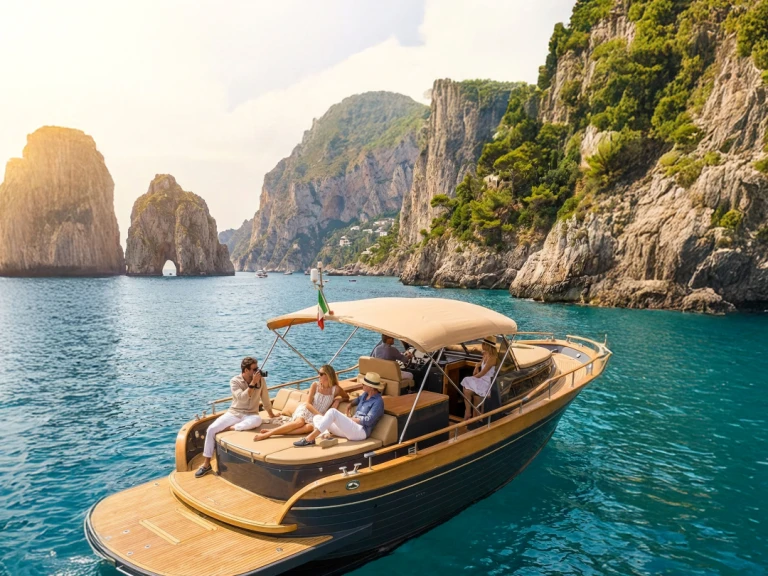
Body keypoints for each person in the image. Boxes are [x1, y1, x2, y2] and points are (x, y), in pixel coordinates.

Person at [195, 356, 276, 478]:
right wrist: (253, 383)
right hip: (235, 412)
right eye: (254, 369)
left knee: (257, 420)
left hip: (251, 414)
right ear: (246, 370)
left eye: (257, 368)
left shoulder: (261, 380)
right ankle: (206, 464)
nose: (257, 371)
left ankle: (230, 428)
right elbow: (242, 398)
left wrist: (272, 415)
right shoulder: (235, 381)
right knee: (211, 429)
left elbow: (265, 399)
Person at [253, 364, 348, 441]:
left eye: (321, 373)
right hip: (307, 410)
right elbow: (307, 404)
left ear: (328, 375)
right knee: (300, 422)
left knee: (309, 428)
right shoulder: (315, 385)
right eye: (318, 373)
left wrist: (338, 400)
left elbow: (346, 397)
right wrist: (320, 416)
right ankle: (269, 434)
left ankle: (275, 431)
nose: (318, 375)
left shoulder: (335, 389)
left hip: (317, 416)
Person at [293, 372, 385, 445]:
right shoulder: (365, 394)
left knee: (332, 412)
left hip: (360, 432)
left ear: (371, 387)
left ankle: (309, 439)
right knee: (317, 417)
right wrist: (350, 405)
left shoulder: (378, 402)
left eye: (364, 384)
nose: (362, 385)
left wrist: (350, 419)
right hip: (350, 429)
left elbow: (368, 420)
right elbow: (357, 400)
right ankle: (326, 436)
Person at [461, 338, 499, 420]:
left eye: (483, 344)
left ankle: (473, 414)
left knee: (466, 380)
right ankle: (468, 412)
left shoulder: (493, 358)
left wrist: (472, 378)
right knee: (466, 391)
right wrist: (476, 367)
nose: (482, 345)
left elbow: (483, 373)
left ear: (487, 345)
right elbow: (480, 364)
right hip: (481, 379)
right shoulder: (485, 354)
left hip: (487, 382)